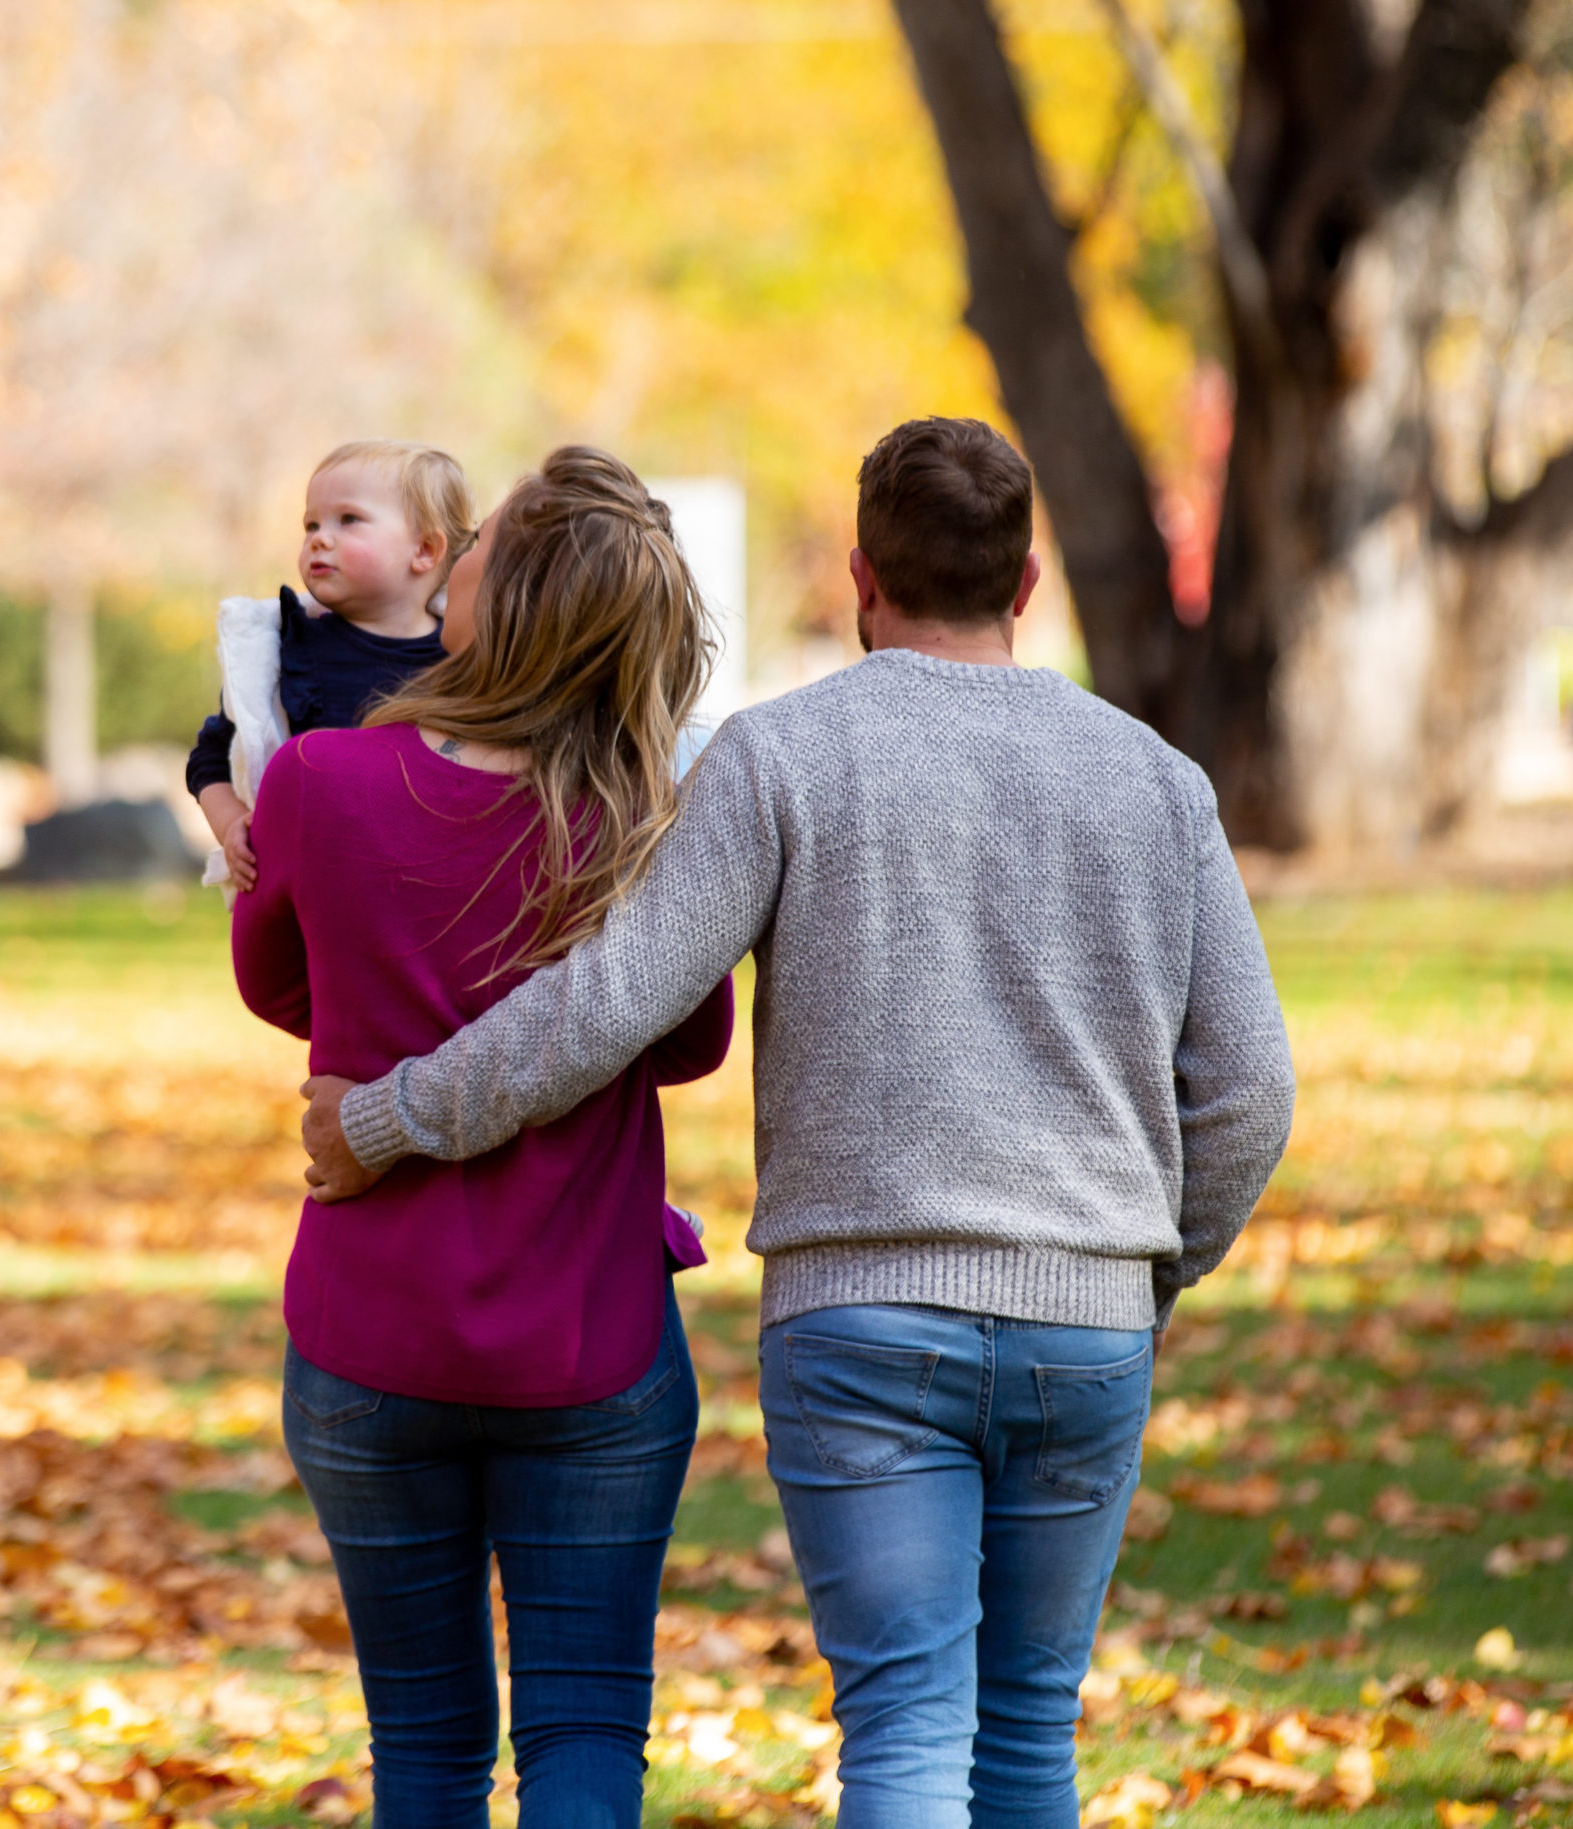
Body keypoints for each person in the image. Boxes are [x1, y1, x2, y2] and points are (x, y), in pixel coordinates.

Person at [296, 419, 1299, 1829]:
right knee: (1025, 1728)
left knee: (903, 1724)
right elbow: (1251, 1089)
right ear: (1024, 587)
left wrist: (389, 1117)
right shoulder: (1158, 782)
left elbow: (605, 1009)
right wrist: (1142, 1267)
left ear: (860, 576)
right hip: (1089, 1323)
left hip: (864, 1318)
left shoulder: (784, 758)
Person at [232, 447, 734, 1828]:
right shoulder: (640, 823)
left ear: (502, 602)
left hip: (365, 1334)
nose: (445, 561)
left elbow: (277, 986)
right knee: (583, 1727)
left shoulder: (324, 786)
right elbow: (689, 1044)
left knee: (430, 1748)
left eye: (476, 547)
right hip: (591, 1340)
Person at [187, 440, 476, 894]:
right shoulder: (284, 651)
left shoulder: (465, 660)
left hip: (429, 894)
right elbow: (208, 759)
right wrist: (230, 826)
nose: (319, 538)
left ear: (424, 549)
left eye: (349, 520)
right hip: (315, 890)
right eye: (311, 524)